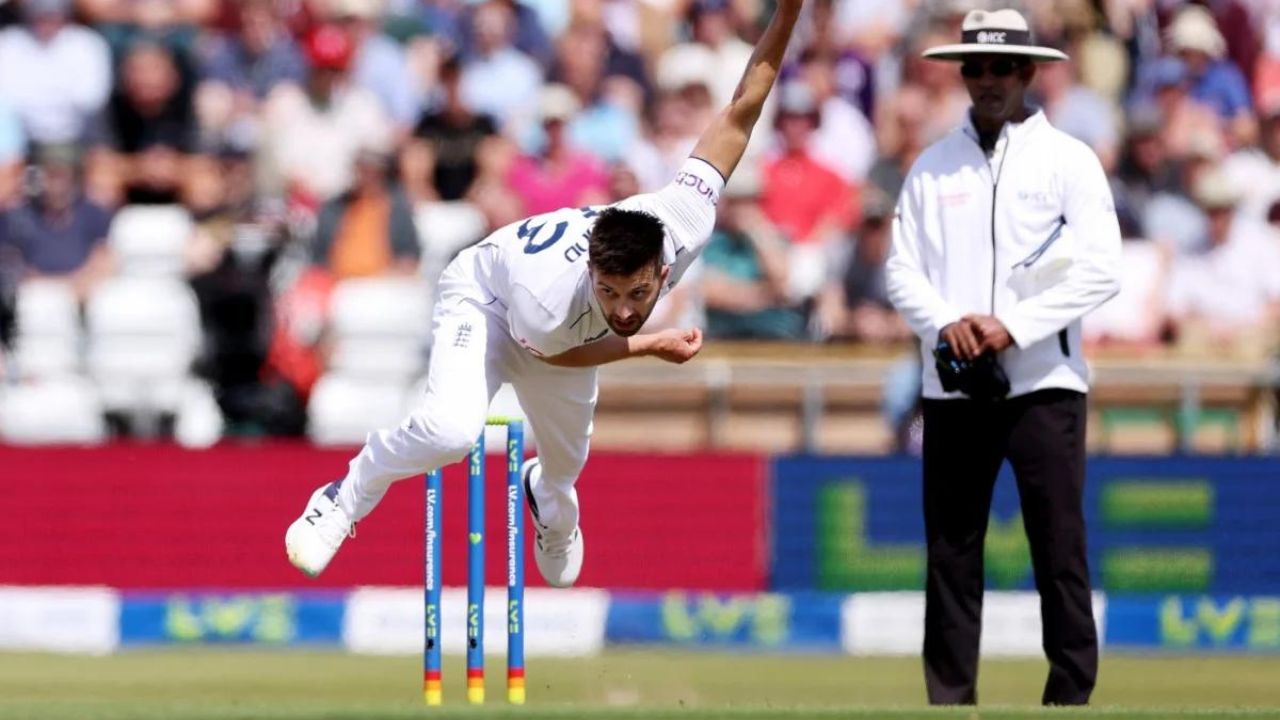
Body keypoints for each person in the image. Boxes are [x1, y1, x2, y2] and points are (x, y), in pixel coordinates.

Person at [285, 1, 804, 587]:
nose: (626, 310)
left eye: (636, 293)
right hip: (489, 303)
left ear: (663, 271)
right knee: (450, 433)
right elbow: (560, 353)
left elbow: (743, 108)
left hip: (559, 334)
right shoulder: (553, 298)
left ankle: (547, 503)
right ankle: (344, 495)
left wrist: (787, 15)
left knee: (563, 469)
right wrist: (650, 343)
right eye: (610, 293)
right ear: (591, 272)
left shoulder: (685, 216)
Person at [885, 9, 1122, 707]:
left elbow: (1102, 269)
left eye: (1001, 67)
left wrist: (1011, 326)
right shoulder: (932, 167)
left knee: (1060, 547)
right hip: (955, 385)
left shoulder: (1069, 159)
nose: (987, 80)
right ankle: (951, 696)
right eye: (975, 68)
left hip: (1046, 382)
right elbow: (902, 272)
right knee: (952, 552)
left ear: (1029, 72)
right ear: (963, 75)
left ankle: (1070, 694)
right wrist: (949, 324)